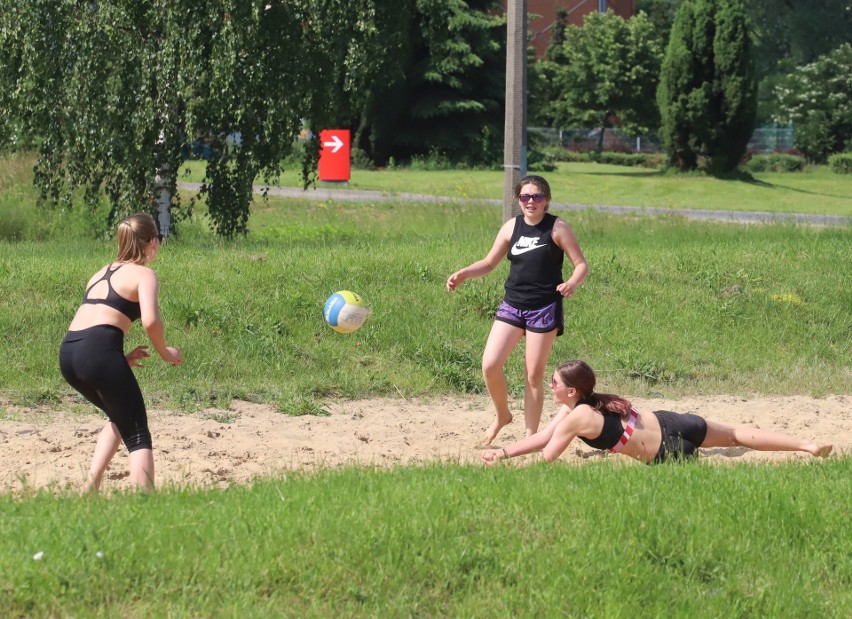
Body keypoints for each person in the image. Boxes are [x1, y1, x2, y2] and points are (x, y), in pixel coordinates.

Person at [447, 175, 589, 446]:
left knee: (533, 375)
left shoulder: (557, 227)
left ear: (546, 199)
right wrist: (464, 273)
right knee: (490, 365)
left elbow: (581, 264)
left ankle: (530, 437)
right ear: (518, 200)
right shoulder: (512, 227)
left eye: (536, 196)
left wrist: (572, 283)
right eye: (525, 197)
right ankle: (502, 415)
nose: (530, 202)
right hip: (513, 305)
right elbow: (489, 263)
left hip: (543, 308)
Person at [481, 359, 833, 465]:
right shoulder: (591, 402)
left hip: (667, 453)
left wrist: (513, 467)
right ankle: (807, 446)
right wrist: (504, 452)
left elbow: (548, 452)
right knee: (739, 435)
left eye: (554, 382)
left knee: (726, 444)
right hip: (670, 421)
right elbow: (544, 435)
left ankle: (807, 447)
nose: (551, 385)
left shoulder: (574, 416)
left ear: (571, 392)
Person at [59, 213, 183, 493]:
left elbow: (95, 323)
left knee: (120, 415)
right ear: (152, 241)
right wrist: (165, 353)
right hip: (99, 354)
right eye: (158, 240)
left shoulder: (100, 272)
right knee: (137, 432)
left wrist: (118, 360)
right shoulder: (144, 274)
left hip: (70, 354)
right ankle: (143, 505)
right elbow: (151, 321)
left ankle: (90, 488)